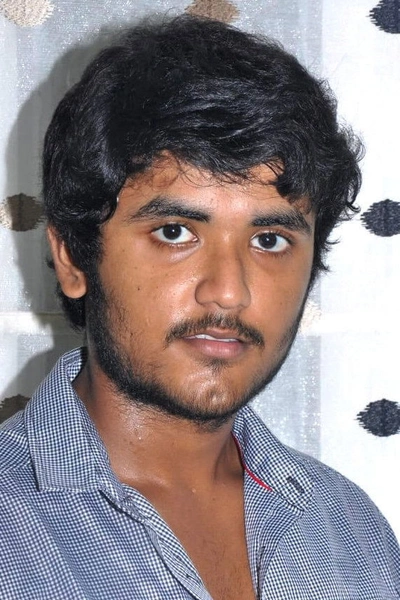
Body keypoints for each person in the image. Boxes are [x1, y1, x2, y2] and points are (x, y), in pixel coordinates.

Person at [0, 14, 399, 600]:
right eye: (175, 232)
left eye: (270, 240)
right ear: (73, 257)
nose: (229, 291)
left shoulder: (352, 531)